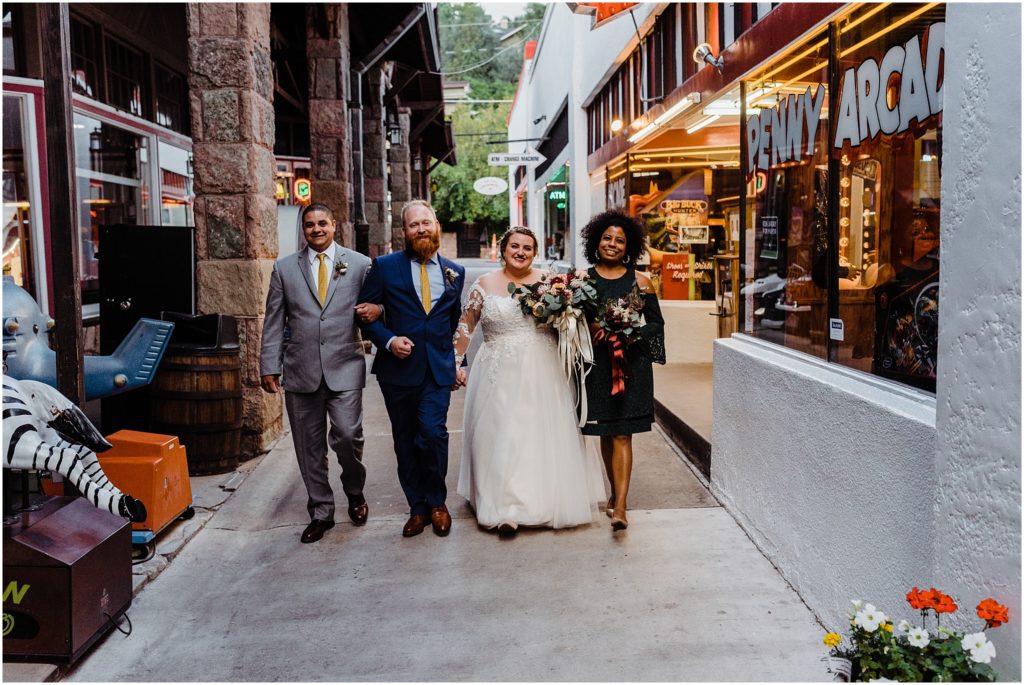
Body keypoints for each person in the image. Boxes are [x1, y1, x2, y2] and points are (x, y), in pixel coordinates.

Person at [454, 227, 605, 537]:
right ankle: (505, 508)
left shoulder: (550, 281)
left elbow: (568, 320)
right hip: (497, 369)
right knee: (501, 436)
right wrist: (456, 362)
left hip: (542, 367)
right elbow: (466, 327)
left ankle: (544, 502)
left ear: (534, 252)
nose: (520, 252)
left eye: (527, 247)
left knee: (538, 434)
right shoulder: (483, 285)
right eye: (514, 246)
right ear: (503, 249)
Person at [260, 202, 375, 544]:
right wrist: (269, 364)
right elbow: (273, 321)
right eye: (309, 225)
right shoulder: (284, 269)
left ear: (334, 224)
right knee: (308, 447)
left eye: (322, 223)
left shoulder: (359, 264)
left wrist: (379, 310)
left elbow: (378, 305)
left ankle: (355, 490)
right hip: (301, 370)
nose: (316, 229)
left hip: (345, 366)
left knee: (347, 434)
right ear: (303, 230)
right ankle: (321, 511)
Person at [357, 199, 466, 538]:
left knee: (432, 434)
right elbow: (363, 315)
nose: (421, 229)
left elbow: (453, 323)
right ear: (403, 231)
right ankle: (416, 507)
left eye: (427, 223)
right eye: (414, 224)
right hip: (398, 371)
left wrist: (458, 362)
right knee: (405, 440)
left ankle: (437, 502)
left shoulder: (454, 272)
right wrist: (389, 341)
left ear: (437, 226)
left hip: (437, 370)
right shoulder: (385, 266)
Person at [580, 210, 665, 532]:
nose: (612, 244)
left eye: (619, 240)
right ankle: (615, 495)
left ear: (628, 246)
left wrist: (628, 333)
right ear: (596, 241)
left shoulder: (642, 281)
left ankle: (622, 506)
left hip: (631, 367)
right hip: (598, 367)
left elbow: (656, 324)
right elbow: (574, 323)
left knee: (623, 433)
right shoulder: (583, 280)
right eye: (607, 238)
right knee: (606, 431)